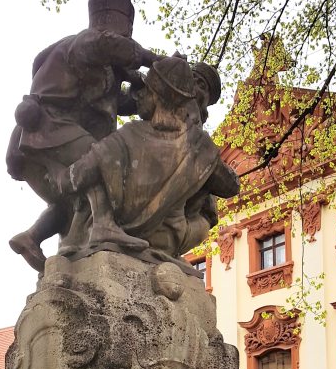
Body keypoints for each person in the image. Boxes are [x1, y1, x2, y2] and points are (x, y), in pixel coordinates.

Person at [6, 0, 161, 270]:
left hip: (34, 146)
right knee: (102, 157)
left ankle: (31, 237)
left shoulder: (100, 70)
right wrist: (154, 60)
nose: (128, 35)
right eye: (126, 29)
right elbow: (110, 46)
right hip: (49, 127)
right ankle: (104, 226)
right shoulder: (86, 42)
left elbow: (118, 103)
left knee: (71, 203)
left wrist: (140, 90)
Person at [62, 56, 239, 260]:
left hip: (148, 232)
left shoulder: (127, 137)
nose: (139, 95)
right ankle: (93, 230)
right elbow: (231, 187)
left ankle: (93, 228)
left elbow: (72, 178)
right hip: (169, 237)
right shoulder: (201, 147)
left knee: (97, 162)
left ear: (156, 95)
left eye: (146, 89)